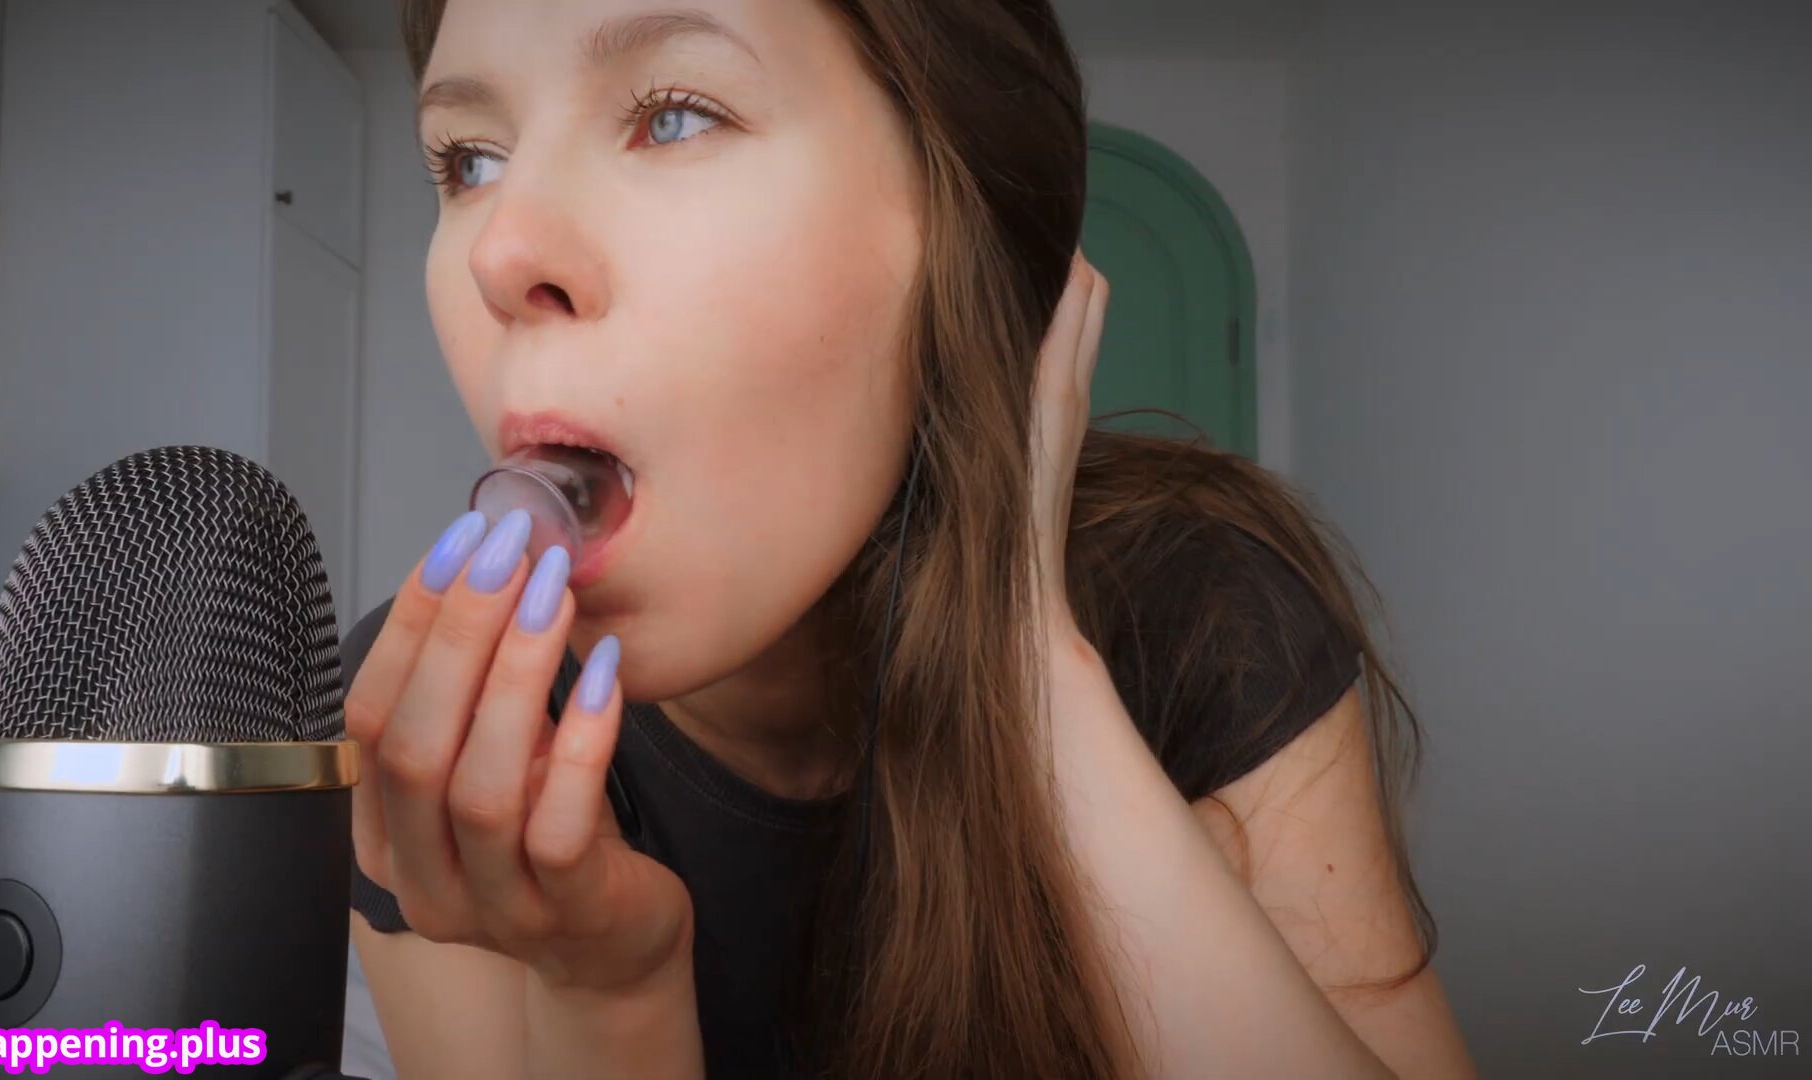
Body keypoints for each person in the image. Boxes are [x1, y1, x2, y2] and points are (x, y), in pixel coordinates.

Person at [342, 1, 1478, 1077]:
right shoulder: (428, 735)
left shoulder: (1204, 606)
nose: (500, 253)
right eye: (469, 161)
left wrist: (1038, 665)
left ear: (962, 234)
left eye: (675, 115)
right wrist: (606, 989)